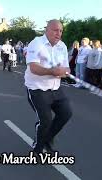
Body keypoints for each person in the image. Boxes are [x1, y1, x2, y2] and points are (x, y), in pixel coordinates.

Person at [24, 19, 72, 154]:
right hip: (37, 89)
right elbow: (33, 67)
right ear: (47, 30)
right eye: (55, 30)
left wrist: (65, 72)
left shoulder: (62, 46)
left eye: (61, 31)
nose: (59, 33)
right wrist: (52, 71)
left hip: (55, 89)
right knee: (45, 121)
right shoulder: (36, 43)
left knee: (66, 113)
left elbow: (66, 68)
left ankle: (45, 138)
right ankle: (37, 150)